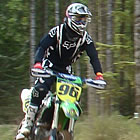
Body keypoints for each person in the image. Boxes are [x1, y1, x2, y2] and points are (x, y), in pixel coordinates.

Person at [16, 2, 104, 140]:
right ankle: (27, 124)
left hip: (66, 70)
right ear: (70, 17)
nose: (82, 22)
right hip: (49, 66)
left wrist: (99, 75)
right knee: (41, 89)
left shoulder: (85, 38)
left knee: (74, 98)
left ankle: (65, 128)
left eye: (84, 19)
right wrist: (38, 64)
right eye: (79, 18)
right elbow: (42, 47)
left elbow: (93, 57)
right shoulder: (57, 31)